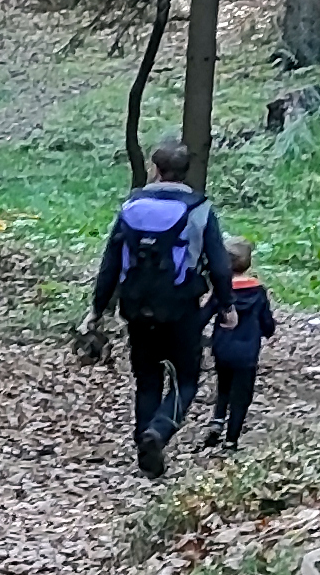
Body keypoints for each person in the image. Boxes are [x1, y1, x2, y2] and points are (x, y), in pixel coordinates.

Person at [79, 142, 230, 479]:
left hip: (136, 308)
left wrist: (97, 308)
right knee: (186, 379)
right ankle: (159, 432)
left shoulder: (131, 206)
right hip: (182, 310)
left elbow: (110, 264)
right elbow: (219, 266)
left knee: (147, 382)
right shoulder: (200, 209)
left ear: (156, 169)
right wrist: (227, 306)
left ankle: (144, 445)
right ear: (185, 172)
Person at [208, 246, 277, 448]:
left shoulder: (222, 291)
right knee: (242, 395)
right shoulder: (258, 292)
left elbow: (204, 315)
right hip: (247, 351)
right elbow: (267, 323)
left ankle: (217, 421)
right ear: (248, 264)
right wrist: (267, 330)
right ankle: (231, 439)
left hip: (222, 347)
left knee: (223, 386)